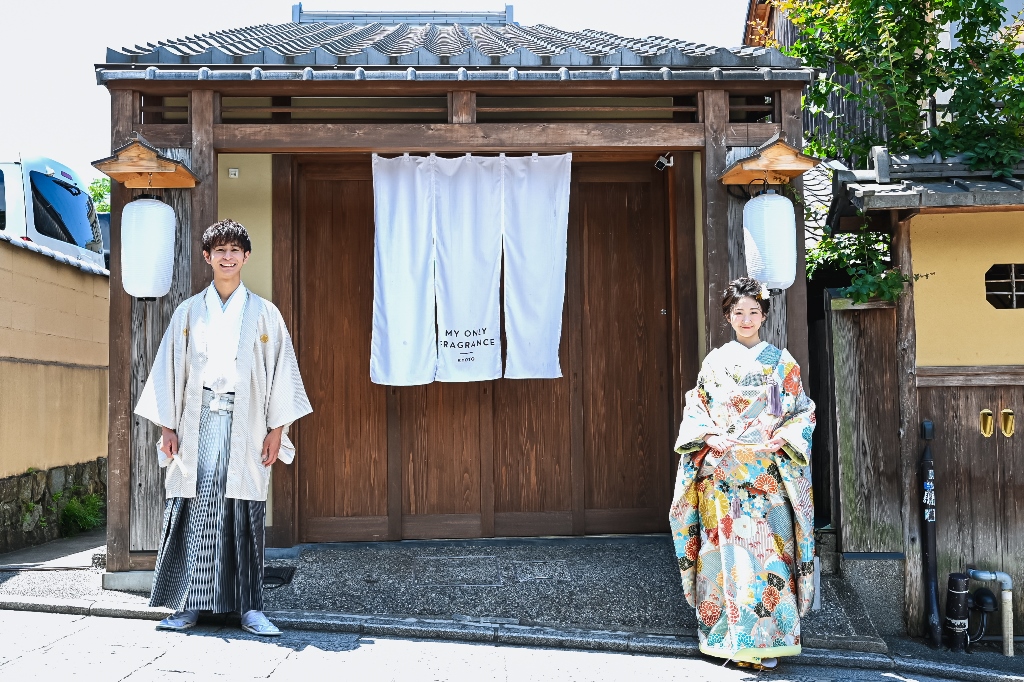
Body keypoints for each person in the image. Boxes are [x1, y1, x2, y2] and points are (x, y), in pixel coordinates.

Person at [135, 219, 312, 636]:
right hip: (196, 421)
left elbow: (281, 372)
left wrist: (277, 430)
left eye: (235, 250)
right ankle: (186, 606)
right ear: (207, 257)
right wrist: (167, 427)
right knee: (193, 507)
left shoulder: (265, 313)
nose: (227, 257)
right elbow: (168, 370)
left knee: (243, 510)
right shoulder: (188, 311)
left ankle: (251, 609)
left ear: (246, 257)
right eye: (220, 251)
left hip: (246, 422)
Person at [670, 277, 815, 670]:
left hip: (766, 477)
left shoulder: (781, 363)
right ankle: (729, 642)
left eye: (754, 311)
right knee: (724, 559)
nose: (746, 318)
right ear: (728, 317)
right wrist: (709, 435)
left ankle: (769, 643)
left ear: (764, 315)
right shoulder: (714, 362)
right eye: (738, 312)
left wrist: (784, 436)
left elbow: (802, 411)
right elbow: (696, 408)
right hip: (723, 474)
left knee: (770, 558)